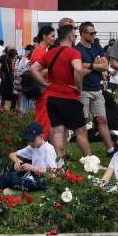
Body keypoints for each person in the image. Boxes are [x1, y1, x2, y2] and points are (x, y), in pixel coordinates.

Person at [30, 24, 90, 163]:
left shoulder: (50, 52)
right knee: (80, 130)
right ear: (70, 36)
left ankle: (60, 161)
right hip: (69, 97)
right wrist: (79, 87)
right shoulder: (73, 52)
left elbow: (33, 68)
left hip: (52, 97)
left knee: (57, 130)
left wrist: (43, 83)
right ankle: (90, 160)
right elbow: (79, 69)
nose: (75, 38)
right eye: (75, 36)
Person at [75, 22, 113, 155]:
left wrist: (89, 66)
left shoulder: (97, 47)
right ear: (83, 33)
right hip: (83, 90)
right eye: (91, 33)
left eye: (95, 32)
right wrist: (95, 65)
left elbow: (105, 66)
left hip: (97, 89)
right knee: (83, 122)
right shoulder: (77, 49)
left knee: (102, 120)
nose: (94, 35)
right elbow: (79, 69)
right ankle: (87, 155)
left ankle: (110, 149)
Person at [0, 122, 56, 191]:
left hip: (42, 180)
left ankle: (8, 179)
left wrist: (32, 168)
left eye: (32, 140)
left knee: (15, 179)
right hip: (31, 176)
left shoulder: (49, 149)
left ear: (41, 136)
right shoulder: (32, 147)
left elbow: (52, 175)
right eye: (28, 140)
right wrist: (17, 161)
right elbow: (12, 154)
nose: (30, 143)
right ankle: (9, 180)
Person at [31, 25, 56, 136]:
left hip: (45, 91)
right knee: (42, 121)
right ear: (44, 36)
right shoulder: (39, 51)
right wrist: (53, 67)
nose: (54, 38)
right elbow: (37, 73)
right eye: (52, 36)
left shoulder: (42, 50)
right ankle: (39, 147)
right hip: (43, 91)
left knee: (46, 121)